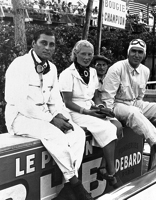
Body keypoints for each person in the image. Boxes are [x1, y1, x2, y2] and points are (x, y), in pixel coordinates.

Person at [4, 29, 93, 200]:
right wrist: (51, 119)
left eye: (51, 44)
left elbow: (55, 100)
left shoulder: (51, 68)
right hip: (19, 117)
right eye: (43, 43)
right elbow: (20, 102)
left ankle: (67, 188)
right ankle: (75, 184)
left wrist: (60, 115)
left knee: (77, 134)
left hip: (44, 116)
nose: (48, 47)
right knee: (55, 135)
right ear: (33, 44)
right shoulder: (19, 64)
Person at [101, 38, 156, 162]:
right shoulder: (117, 68)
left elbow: (140, 97)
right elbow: (107, 98)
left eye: (140, 52)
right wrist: (111, 119)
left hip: (134, 102)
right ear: (128, 52)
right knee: (134, 112)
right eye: (133, 51)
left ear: (144, 55)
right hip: (116, 105)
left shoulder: (145, 71)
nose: (136, 55)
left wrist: (140, 108)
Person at [59, 40, 122, 189]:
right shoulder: (67, 74)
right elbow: (67, 102)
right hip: (75, 112)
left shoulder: (92, 72)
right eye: (83, 54)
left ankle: (102, 167)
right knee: (109, 129)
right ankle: (111, 173)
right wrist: (87, 112)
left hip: (91, 108)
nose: (87, 57)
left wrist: (100, 108)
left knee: (118, 126)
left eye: (90, 54)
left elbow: (95, 96)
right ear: (76, 54)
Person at [92, 54, 123, 139]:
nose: (101, 68)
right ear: (94, 66)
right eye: (98, 65)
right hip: (96, 108)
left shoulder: (111, 78)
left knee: (119, 126)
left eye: (104, 65)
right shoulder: (91, 78)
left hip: (111, 107)